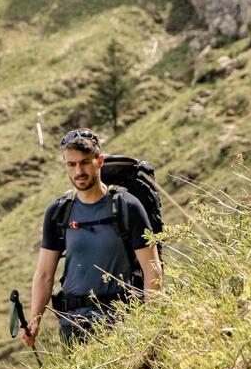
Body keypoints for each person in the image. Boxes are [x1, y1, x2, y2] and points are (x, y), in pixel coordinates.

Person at [17, 128, 162, 346]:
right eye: (71, 164)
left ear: (99, 161)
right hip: (73, 326)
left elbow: (152, 268)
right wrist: (34, 321)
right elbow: (45, 275)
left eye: (85, 162)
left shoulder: (127, 207)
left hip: (122, 322)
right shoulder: (58, 212)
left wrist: (153, 321)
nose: (78, 171)